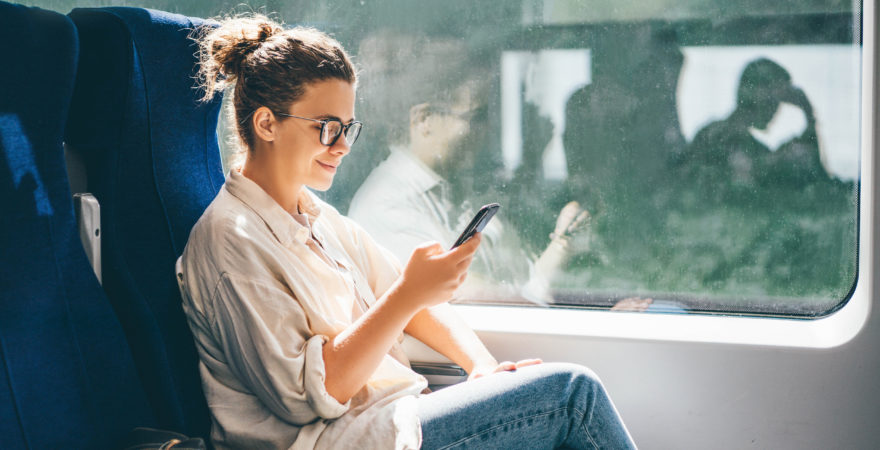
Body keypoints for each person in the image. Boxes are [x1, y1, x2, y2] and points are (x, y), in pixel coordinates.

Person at [177, 14, 636, 449]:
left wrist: (481, 366)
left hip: (393, 418)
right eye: (327, 128)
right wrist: (407, 295)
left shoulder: (315, 215)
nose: (341, 147)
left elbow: (409, 300)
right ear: (266, 124)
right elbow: (308, 397)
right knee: (573, 395)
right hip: (339, 440)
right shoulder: (230, 241)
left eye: (348, 129)